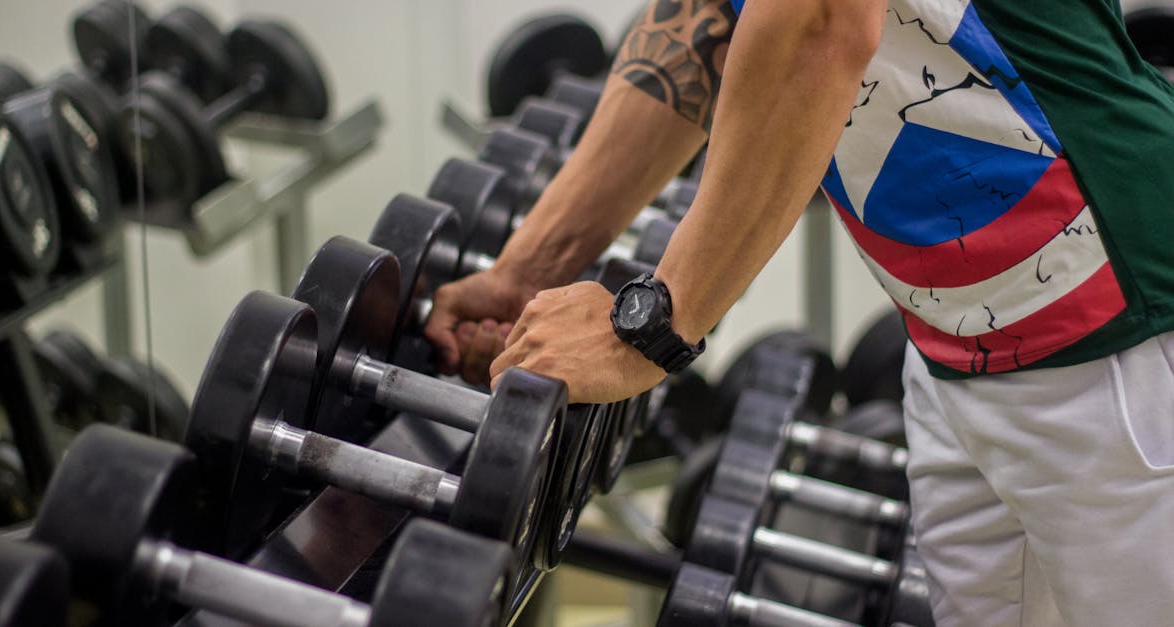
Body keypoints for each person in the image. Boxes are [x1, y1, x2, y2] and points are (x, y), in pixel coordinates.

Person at [424, 1, 1174, 625]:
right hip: (956, 342)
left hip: (1122, 324)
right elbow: (705, 22)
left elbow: (818, 18)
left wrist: (650, 326)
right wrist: (529, 270)